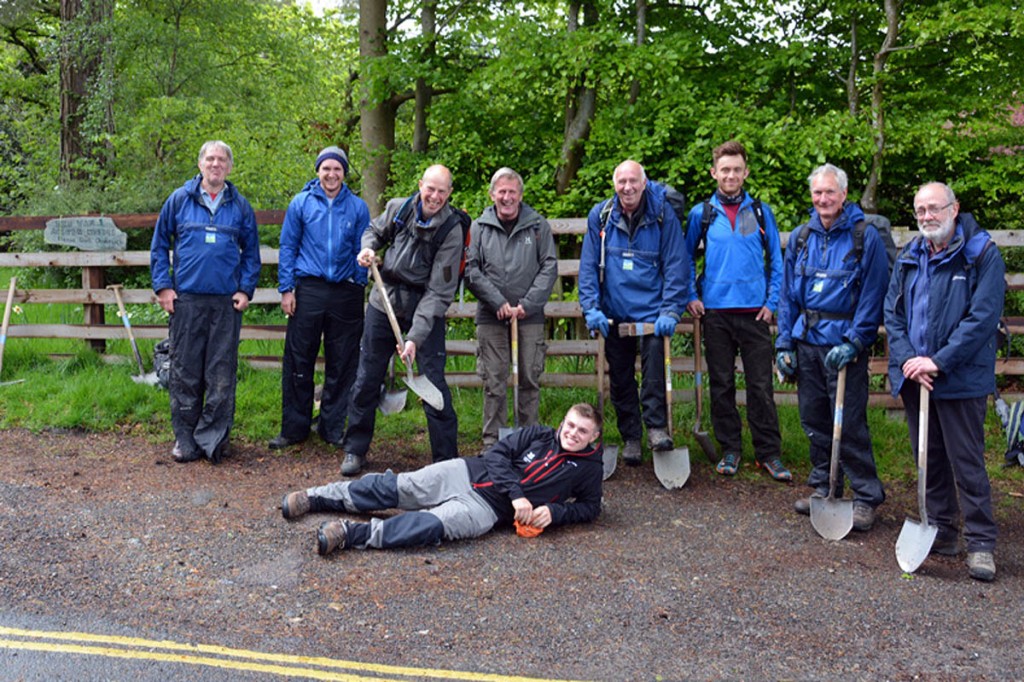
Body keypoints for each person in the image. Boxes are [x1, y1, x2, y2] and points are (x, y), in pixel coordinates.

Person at [280, 403, 603, 555]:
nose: (573, 434)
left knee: (429, 525)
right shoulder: (538, 434)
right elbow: (495, 455)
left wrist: (556, 512)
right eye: (570, 425)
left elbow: (590, 507)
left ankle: (351, 534)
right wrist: (518, 493)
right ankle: (316, 497)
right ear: (562, 422)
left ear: (595, 436)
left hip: (487, 511)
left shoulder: (589, 468)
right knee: (398, 487)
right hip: (465, 472)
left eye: (582, 431)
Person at [884, 182, 1005, 581]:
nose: (927, 217)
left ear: (955, 209)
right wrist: (906, 361)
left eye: (934, 208)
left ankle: (982, 543)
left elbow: (981, 319)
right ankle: (943, 531)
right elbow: (893, 312)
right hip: (916, 377)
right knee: (929, 458)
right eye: (920, 210)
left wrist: (937, 362)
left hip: (959, 376)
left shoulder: (981, 254)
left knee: (966, 462)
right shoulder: (910, 255)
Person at [775, 163, 887, 531]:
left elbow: (873, 295)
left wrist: (856, 341)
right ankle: (825, 487)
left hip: (843, 347)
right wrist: (784, 343)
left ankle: (867, 495)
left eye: (830, 192)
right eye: (817, 192)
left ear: (843, 194)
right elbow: (788, 295)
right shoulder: (803, 236)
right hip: (807, 342)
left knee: (849, 422)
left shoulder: (863, 235)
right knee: (814, 421)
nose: (823, 199)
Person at [337, 164, 462, 477]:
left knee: (432, 379)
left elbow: (438, 293)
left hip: (424, 303)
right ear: (420, 185)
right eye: (430, 188)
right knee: (367, 377)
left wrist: (414, 338)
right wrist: (367, 249)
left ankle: (446, 460)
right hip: (384, 299)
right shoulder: (397, 208)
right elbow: (373, 232)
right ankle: (355, 449)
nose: (434, 196)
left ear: (449, 193)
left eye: (441, 191)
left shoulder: (451, 229)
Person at [150, 140, 261, 464]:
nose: (215, 165)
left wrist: (245, 290)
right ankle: (185, 439)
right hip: (186, 301)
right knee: (185, 373)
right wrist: (163, 288)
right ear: (200, 165)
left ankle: (213, 440)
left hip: (225, 305)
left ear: (229, 167)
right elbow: (159, 246)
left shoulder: (239, 206)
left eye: (222, 160)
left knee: (220, 374)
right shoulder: (179, 200)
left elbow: (252, 253)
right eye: (210, 159)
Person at [685, 141, 789, 481]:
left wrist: (772, 303)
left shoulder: (760, 211)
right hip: (715, 313)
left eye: (737, 169)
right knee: (722, 384)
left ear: (745, 172)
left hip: (755, 314)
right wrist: (691, 295)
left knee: (761, 386)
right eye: (724, 169)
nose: (731, 175)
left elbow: (777, 259)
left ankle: (769, 454)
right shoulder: (702, 213)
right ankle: (729, 449)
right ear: (714, 172)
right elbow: (685, 259)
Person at [578, 160, 690, 466]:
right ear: (615, 184)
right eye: (621, 182)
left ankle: (655, 428)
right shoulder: (601, 217)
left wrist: (670, 310)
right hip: (614, 313)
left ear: (644, 183)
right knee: (621, 377)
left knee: (654, 373)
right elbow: (588, 267)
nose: (627, 187)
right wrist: (591, 307)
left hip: (653, 314)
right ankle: (630, 436)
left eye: (633, 181)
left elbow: (676, 265)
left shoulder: (663, 215)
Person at [269, 146, 370, 450]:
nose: (331, 174)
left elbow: (362, 247)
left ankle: (332, 426)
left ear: (344, 172)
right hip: (308, 289)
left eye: (337, 169)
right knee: (299, 359)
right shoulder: (301, 204)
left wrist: (358, 282)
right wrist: (287, 289)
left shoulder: (357, 207)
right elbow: (287, 247)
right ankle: (294, 427)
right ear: (317, 171)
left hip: (345, 292)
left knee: (343, 362)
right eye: (326, 168)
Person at [465, 168, 558, 447]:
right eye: (501, 191)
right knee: (494, 381)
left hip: (529, 317)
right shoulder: (478, 227)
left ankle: (528, 440)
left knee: (529, 377)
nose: (507, 197)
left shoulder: (537, 226)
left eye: (512, 191)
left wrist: (526, 305)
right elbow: (471, 270)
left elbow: (549, 266)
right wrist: (498, 303)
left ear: (520, 194)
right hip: (491, 316)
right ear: (492, 194)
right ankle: (493, 442)